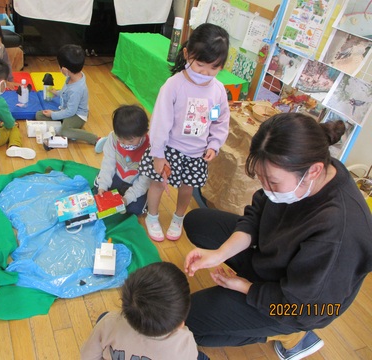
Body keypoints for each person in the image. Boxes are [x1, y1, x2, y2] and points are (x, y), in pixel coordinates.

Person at [183, 113, 372, 360]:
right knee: (199, 222)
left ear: (313, 171)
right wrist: (219, 254)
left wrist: (245, 287)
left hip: (299, 307)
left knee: (186, 321)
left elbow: (304, 308)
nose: (266, 188)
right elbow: (257, 212)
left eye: (271, 181)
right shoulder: (314, 171)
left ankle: (293, 336)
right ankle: (253, 293)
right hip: (275, 261)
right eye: (261, 179)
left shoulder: (338, 231)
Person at [139, 23, 230, 242]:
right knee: (158, 183)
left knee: (187, 188)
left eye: (214, 67)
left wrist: (214, 144)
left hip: (197, 152)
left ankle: (178, 217)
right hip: (169, 148)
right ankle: (152, 216)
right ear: (188, 54)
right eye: (200, 64)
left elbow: (219, 119)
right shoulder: (173, 85)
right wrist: (158, 154)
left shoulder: (218, 90)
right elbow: (160, 121)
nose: (205, 72)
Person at [80, 262, 209, 360]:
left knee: (103, 317)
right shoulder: (185, 343)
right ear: (181, 322)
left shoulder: (110, 323)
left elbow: (88, 356)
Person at [35, 44, 101, 149]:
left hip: (77, 116)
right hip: (68, 111)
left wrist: (53, 115)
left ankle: (95, 139)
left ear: (65, 70)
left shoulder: (77, 90)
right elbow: (66, 92)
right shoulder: (73, 76)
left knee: (64, 131)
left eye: (59, 66)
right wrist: (56, 92)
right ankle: (69, 129)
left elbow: (71, 112)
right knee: (39, 115)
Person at [94, 104, 151, 215]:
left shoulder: (150, 149)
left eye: (130, 141)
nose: (124, 144)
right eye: (121, 139)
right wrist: (103, 186)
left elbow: (144, 182)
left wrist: (126, 199)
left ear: (143, 134)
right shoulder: (113, 138)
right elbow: (108, 164)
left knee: (136, 210)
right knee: (98, 192)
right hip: (117, 175)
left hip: (134, 182)